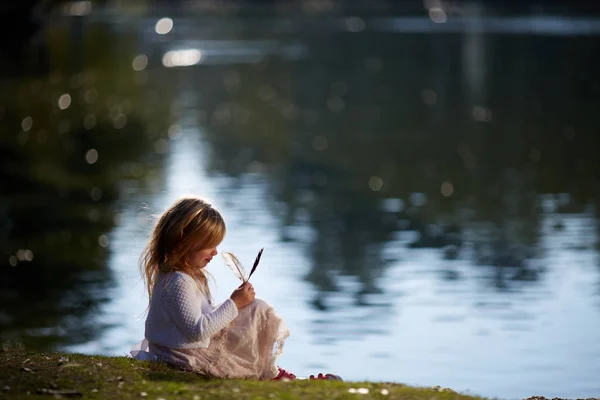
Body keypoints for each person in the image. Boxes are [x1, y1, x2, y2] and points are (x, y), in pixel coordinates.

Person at [130, 196, 341, 381]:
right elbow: (197, 331)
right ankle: (273, 375)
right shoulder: (178, 281)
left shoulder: (182, 275)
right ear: (183, 242)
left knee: (253, 310)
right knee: (258, 311)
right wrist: (235, 303)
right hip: (183, 355)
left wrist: (237, 306)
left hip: (182, 348)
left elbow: (199, 320)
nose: (215, 252)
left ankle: (271, 371)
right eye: (210, 245)